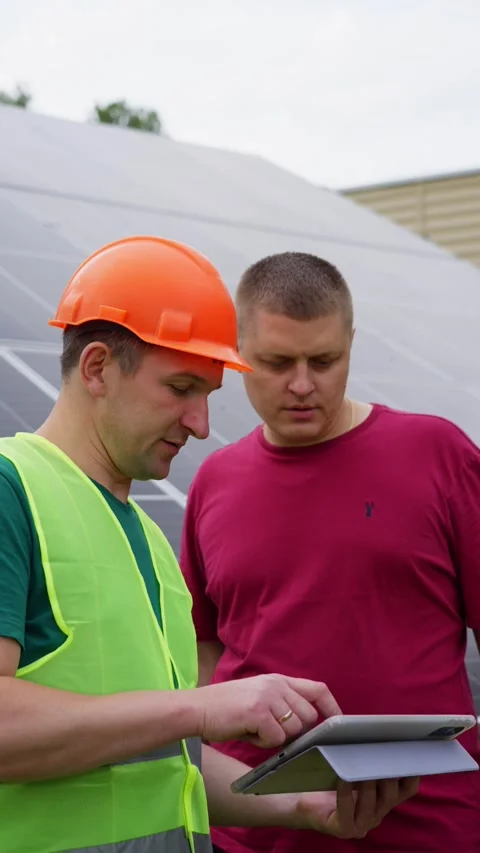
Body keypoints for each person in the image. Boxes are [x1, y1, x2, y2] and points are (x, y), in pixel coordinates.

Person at [0, 237, 417, 853]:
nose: (201, 423)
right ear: (96, 368)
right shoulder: (12, 491)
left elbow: (168, 765)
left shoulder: (143, 534)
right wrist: (204, 708)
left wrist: (303, 805)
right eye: (181, 388)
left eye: (209, 396)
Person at [180, 250, 480, 853]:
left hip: (429, 826)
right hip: (257, 834)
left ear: (351, 344)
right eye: (275, 362)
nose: (301, 384)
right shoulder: (215, 480)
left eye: (324, 360)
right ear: (238, 355)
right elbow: (203, 648)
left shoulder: (437, 454)